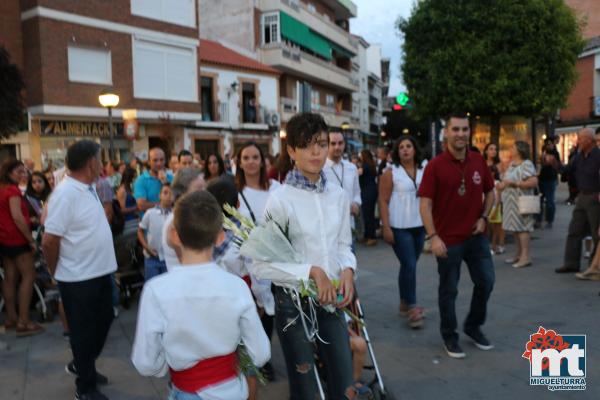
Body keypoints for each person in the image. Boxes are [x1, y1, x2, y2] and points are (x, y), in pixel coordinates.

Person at [251, 113, 358, 400]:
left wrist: (347, 270)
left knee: (344, 380)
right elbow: (262, 265)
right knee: (306, 389)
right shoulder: (281, 199)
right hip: (292, 305)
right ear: (291, 151)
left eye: (321, 144)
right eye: (307, 144)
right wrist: (311, 272)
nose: (316, 152)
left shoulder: (337, 195)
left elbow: (344, 245)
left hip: (332, 301)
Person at [131, 190, 270, 400]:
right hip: (233, 391)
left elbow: (146, 362)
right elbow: (260, 353)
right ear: (220, 236)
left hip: (186, 391)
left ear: (174, 235)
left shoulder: (156, 291)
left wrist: (167, 363)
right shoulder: (237, 287)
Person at [42, 140, 117, 400]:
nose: (102, 164)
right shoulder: (65, 193)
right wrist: (55, 271)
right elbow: (49, 240)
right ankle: (85, 387)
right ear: (91, 163)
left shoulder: (88, 188)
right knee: (83, 331)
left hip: (100, 272)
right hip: (78, 277)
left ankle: (83, 364)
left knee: (105, 318)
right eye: (99, 159)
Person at [418, 112, 495, 359]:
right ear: (446, 133)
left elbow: (491, 192)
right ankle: (449, 336)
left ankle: (473, 326)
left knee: (486, 281)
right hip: (448, 241)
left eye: (465, 129)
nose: (461, 134)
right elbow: (425, 205)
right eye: (456, 129)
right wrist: (433, 237)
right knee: (449, 290)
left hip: (476, 237)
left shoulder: (478, 160)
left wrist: (484, 217)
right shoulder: (435, 166)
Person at [234, 141, 280, 382]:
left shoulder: (275, 188)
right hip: (245, 262)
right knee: (252, 311)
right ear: (239, 163)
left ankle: (265, 358)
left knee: (269, 311)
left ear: (262, 161)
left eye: (255, 157)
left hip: (274, 259)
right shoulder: (236, 193)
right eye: (246, 158)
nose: (251, 162)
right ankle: (251, 357)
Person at [379, 136, 426, 329]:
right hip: (399, 227)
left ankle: (404, 302)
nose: (405, 150)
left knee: (409, 265)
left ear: (415, 149)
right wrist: (386, 227)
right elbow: (383, 200)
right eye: (401, 147)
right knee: (409, 264)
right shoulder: (391, 173)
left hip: (420, 225)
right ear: (397, 152)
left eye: (409, 146)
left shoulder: (425, 169)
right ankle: (413, 308)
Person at [0, 160, 43, 337]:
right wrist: (30, 240)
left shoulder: (2, 189)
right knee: (29, 275)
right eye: (19, 171)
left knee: (10, 278)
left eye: (24, 171)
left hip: (4, 238)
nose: (23, 175)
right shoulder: (13, 191)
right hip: (16, 238)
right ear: (9, 173)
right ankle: (24, 321)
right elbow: (17, 217)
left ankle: (11, 317)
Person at [556, 128, 600, 273]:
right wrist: (554, 164)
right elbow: (566, 169)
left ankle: (594, 265)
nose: (578, 141)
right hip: (581, 196)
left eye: (581, 138)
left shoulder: (598, 155)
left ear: (590, 140)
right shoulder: (579, 156)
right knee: (574, 230)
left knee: (596, 232)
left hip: (595, 196)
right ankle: (571, 263)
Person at [496, 141, 538, 268]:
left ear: (520, 150)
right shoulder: (512, 164)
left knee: (523, 228)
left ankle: (526, 257)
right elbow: (506, 180)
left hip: (522, 202)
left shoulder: (527, 164)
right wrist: (501, 185)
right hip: (511, 203)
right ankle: (518, 254)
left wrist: (515, 184)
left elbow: (533, 181)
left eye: (513, 147)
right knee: (515, 229)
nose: (510, 149)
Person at [161, 168, 205, 271]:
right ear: (182, 194)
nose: (204, 194)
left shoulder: (188, 217)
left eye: (204, 188)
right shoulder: (177, 222)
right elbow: (190, 265)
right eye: (198, 189)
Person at [324, 131, 361, 248]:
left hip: (349, 226)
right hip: (328, 228)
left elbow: (357, 192)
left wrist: (356, 203)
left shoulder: (351, 167)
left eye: (340, 143)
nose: (337, 147)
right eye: (333, 143)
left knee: (350, 263)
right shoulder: (320, 169)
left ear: (344, 145)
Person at [137, 184, 172, 281]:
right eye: (165, 193)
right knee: (151, 285)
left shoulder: (174, 215)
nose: (168, 196)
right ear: (159, 195)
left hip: (168, 258)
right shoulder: (150, 213)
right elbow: (140, 231)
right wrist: (146, 247)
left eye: (171, 194)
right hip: (152, 257)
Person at [133, 148, 172, 215]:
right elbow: (141, 206)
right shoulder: (141, 180)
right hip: (150, 223)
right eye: (155, 160)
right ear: (148, 162)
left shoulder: (171, 178)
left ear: (165, 161)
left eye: (161, 160)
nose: (159, 163)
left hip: (169, 221)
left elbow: (178, 201)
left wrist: (165, 183)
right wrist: (165, 204)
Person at [483, 143, 505, 255]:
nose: (493, 151)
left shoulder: (499, 164)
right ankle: (491, 244)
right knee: (488, 221)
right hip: (485, 193)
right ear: (486, 151)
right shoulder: (482, 163)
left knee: (497, 221)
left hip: (497, 193)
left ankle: (497, 244)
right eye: (491, 149)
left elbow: (502, 179)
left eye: (495, 149)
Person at [536, 138, 561, 229]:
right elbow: (541, 164)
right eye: (547, 144)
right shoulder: (543, 152)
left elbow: (557, 166)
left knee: (550, 201)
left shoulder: (555, 153)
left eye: (550, 144)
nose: (549, 145)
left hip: (551, 179)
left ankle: (549, 220)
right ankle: (538, 220)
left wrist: (551, 160)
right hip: (542, 178)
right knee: (539, 200)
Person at [358, 150, 378, 246]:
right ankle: (368, 235)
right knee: (369, 214)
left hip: (367, 191)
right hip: (372, 190)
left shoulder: (365, 166)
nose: (360, 156)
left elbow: (357, 174)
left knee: (367, 214)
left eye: (361, 155)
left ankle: (371, 236)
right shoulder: (371, 165)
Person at [116, 167, 139, 235]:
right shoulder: (122, 190)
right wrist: (136, 208)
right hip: (128, 222)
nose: (135, 179)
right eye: (134, 177)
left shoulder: (130, 188)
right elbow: (122, 210)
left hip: (135, 220)